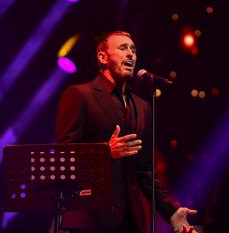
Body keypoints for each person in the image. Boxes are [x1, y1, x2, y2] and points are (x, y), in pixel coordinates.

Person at [56, 31, 197, 233]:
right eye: (123, 48)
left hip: (132, 221)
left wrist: (171, 212)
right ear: (103, 57)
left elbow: (145, 171)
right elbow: (64, 156)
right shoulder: (79, 95)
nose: (131, 54)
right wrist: (105, 153)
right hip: (90, 219)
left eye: (133, 50)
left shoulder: (142, 107)